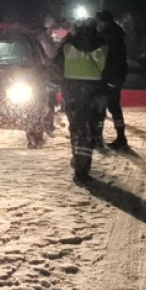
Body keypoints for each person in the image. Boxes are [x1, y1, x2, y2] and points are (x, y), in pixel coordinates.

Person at [51, 17, 108, 184]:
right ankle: (83, 167)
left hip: (72, 92)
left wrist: (60, 83)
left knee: (77, 127)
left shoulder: (68, 45)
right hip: (95, 92)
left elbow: (56, 66)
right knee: (90, 130)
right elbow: (111, 68)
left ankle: (78, 159)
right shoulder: (103, 45)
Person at [97, 10, 129, 149]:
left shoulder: (108, 36)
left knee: (102, 106)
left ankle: (98, 137)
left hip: (110, 77)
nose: (97, 24)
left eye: (99, 21)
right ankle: (121, 137)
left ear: (104, 22)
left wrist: (110, 80)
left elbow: (111, 60)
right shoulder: (116, 34)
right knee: (114, 107)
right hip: (116, 76)